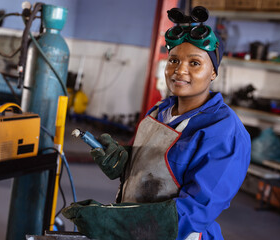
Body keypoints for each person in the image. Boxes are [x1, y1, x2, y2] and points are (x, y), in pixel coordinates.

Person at [62, 7, 251, 240]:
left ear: (213, 72)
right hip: (136, 229)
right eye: (174, 60)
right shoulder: (160, 111)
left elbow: (198, 210)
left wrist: (116, 224)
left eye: (195, 63)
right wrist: (125, 162)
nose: (179, 70)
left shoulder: (223, 130)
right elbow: (155, 168)